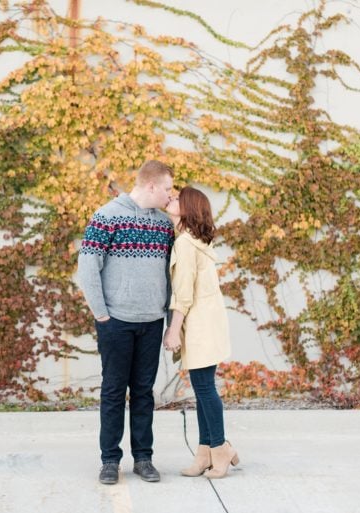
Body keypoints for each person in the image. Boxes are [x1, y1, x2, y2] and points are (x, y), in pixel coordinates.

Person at [77, 160, 175, 485]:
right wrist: (100, 313)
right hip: (116, 321)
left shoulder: (164, 225)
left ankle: (144, 458)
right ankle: (109, 460)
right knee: (114, 390)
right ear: (151, 186)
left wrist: (170, 317)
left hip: (151, 321)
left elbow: (171, 274)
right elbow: (88, 266)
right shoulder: (106, 216)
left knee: (144, 392)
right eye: (166, 189)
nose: (169, 195)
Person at [163, 186, 240, 479]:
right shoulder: (196, 242)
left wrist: (173, 330)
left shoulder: (185, 244)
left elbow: (183, 294)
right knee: (202, 386)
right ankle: (205, 451)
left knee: (205, 389)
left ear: (188, 208)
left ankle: (220, 449)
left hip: (199, 324)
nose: (171, 198)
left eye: (176, 198)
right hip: (208, 322)